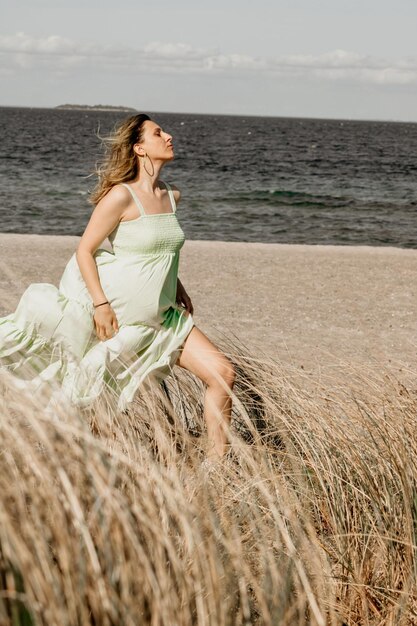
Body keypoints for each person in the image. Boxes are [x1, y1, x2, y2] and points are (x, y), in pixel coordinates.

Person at [0, 113, 236, 461]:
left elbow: (160, 249)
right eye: (158, 133)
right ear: (139, 148)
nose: (168, 136)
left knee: (223, 373)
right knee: (94, 398)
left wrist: (177, 285)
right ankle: (86, 464)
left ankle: (217, 468)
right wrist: (100, 304)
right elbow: (84, 250)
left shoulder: (172, 196)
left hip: (166, 317)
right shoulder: (120, 197)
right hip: (122, 320)